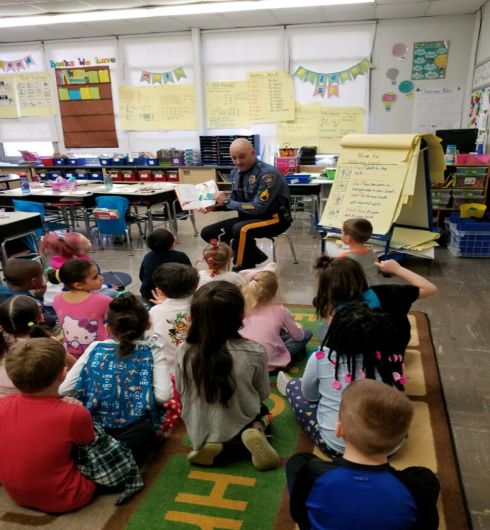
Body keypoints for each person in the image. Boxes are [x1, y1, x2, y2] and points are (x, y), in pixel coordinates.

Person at [286, 379, 440, 530]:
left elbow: (298, 514)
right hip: (404, 490)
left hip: (320, 487)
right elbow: (429, 525)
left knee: (299, 461)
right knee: (425, 476)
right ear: (399, 441)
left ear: (339, 430)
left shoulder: (314, 473)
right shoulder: (412, 488)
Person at [175, 281, 280, 470]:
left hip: (200, 426)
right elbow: (263, 393)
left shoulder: (183, 350)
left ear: (195, 316)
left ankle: (211, 443)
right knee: (264, 412)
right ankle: (254, 430)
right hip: (241, 420)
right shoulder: (254, 351)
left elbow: (181, 389)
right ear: (240, 315)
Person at [277, 302, 405, 457]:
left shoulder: (322, 356)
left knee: (296, 386)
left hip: (338, 446)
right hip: (390, 446)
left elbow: (310, 396)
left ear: (335, 332)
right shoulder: (390, 355)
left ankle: (289, 385)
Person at [59, 294, 173, 463]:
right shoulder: (152, 350)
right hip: (135, 430)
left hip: (94, 429)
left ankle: (97, 454)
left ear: (107, 328)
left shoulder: (95, 347)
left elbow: (64, 390)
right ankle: (123, 458)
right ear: (148, 325)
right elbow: (164, 396)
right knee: (168, 407)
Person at [0, 338, 96, 513]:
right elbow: (91, 445)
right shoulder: (74, 413)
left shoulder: (3, 404)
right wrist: (76, 409)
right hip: (69, 496)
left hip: (16, 494)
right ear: (63, 374)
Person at [200, 138, 292, 271]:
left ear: (253, 153)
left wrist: (226, 201)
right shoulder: (236, 173)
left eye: (242, 157)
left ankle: (242, 267)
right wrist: (214, 206)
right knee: (208, 232)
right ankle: (254, 255)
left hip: (274, 219)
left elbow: (258, 208)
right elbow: (235, 200)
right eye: (234, 158)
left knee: (241, 230)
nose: (238, 162)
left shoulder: (268, 175)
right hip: (248, 218)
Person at [314, 255, 437, 354]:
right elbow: (430, 288)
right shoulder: (387, 293)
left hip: (352, 355)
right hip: (390, 351)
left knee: (321, 328)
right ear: (361, 275)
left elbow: (334, 329)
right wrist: (397, 269)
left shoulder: (328, 303)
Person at [239, 263, 312, 371]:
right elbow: (298, 337)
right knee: (306, 333)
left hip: (246, 361)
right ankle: (290, 358)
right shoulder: (281, 310)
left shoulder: (242, 306)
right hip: (271, 364)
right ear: (275, 290)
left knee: (278, 334)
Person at [0, 295, 65, 398]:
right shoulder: (49, 343)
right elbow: (71, 364)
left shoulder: (2, 340)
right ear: (40, 317)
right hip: (33, 395)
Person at [49, 259, 112, 358]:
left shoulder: (57, 298)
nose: (101, 278)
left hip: (71, 352)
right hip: (99, 351)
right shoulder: (103, 300)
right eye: (95, 277)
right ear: (78, 285)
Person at [41, 231, 129, 297]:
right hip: (79, 296)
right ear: (80, 251)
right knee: (113, 293)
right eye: (87, 240)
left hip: (65, 295)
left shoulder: (61, 263)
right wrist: (106, 287)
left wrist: (106, 286)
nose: (89, 240)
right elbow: (88, 286)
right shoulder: (83, 267)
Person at [149, 263, 200, 374]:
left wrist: (163, 305)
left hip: (167, 372)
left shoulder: (155, 312)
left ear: (161, 290)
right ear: (195, 286)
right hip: (199, 369)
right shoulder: (203, 307)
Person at [139, 228, 191, 302]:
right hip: (173, 295)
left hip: (149, 294)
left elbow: (141, 276)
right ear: (172, 243)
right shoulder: (180, 256)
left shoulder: (148, 256)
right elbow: (189, 275)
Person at [337, 217, 379, 285]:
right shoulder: (374, 254)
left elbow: (338, 278)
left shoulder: (343, 257)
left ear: (348, 238)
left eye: (341, 233)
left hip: (355, 291)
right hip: (373, 289)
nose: (341, 235)